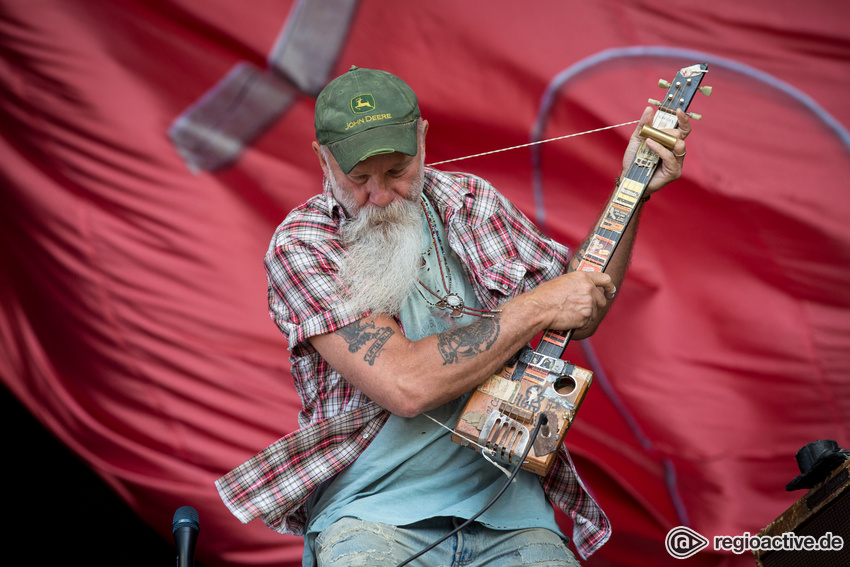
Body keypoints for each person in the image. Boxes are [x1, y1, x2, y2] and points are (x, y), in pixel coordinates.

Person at [216, 65, 690, 566]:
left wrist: (632, 187)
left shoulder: (470, 201)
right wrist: (538, 305)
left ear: (422, 138)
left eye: (397, 171)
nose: (378, 196)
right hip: (371, 518)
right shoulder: (304, 244)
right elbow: (406, 385)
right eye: (358, 179)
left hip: (512, 516)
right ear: (322, 158)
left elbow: (576, 309)